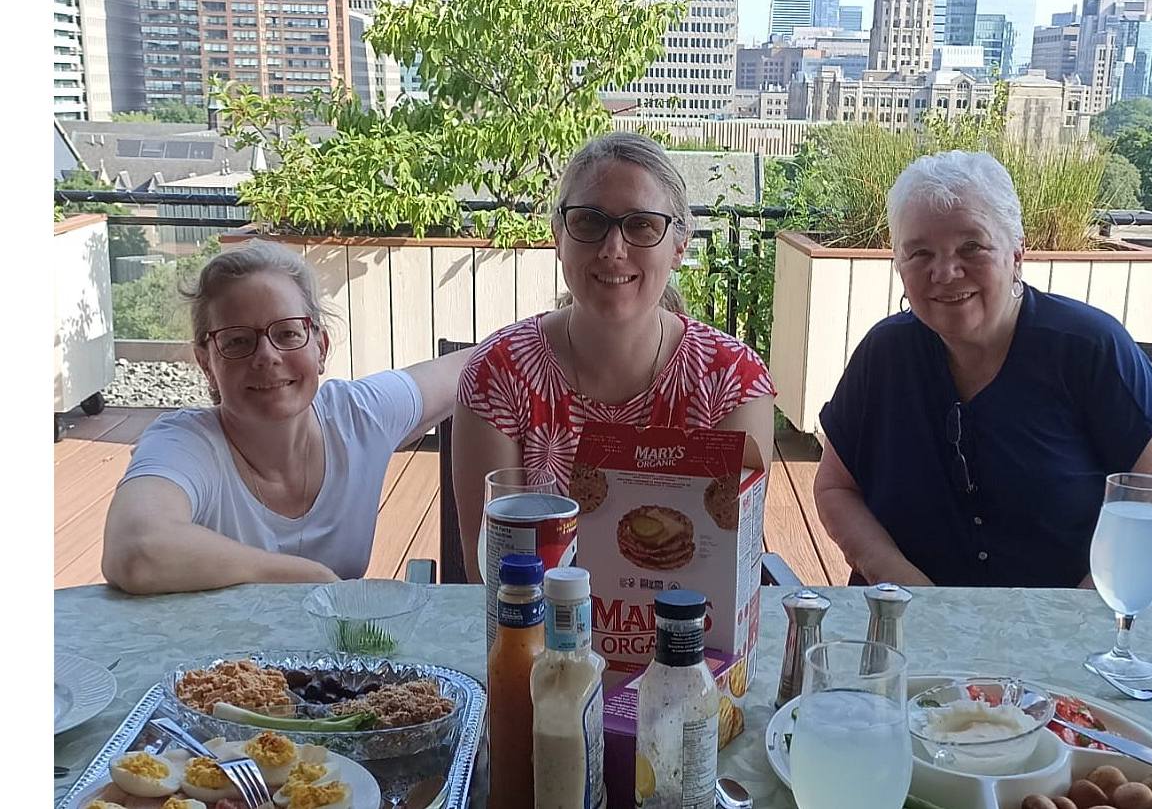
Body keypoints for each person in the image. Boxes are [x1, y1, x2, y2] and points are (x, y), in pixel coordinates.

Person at [813, 150, 1152, 610]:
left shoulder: (1089, 346)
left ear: (1016, 254)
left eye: (972, 247)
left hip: (1119, 622)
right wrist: (914, 595)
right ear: (899, 266)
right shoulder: (885, 355)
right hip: (940, 630)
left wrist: (1072, 624)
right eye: (920, 253)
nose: (945, 272)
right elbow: (836, 489)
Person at [453, 132, 776, 580]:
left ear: (679, 245)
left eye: (641, 225)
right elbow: (492, 576)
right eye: (589, 221)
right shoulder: (498, 374)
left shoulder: (732, 381)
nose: (613, 249)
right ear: (558, 236)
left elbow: (728, 572)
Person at [102, 241, 472, 594]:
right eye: (237, 341)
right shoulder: (185, 443)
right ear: (206, 364)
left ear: (320, 347)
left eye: (287, 333)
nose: (266, 356)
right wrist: (309, 578)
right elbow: (136, 548)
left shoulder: (357, 416)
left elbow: (476, 363)